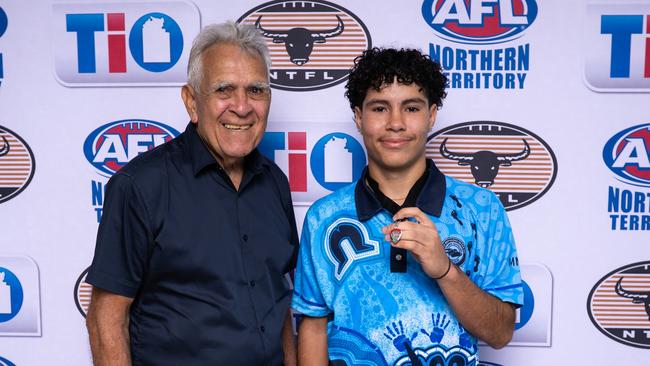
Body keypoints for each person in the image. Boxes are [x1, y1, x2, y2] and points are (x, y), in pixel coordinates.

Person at [292, 47, 523, 365]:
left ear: (431, 115)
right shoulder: (324, 216)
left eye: (411, 108)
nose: (396, 123)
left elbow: (501, 333)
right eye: (379, 108)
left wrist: (445, 270)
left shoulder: (481, 209)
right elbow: (314, 326)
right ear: (358, 117)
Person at [85, 21, 298, 366]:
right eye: (224, 90)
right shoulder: (141, 186)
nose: (242, 107)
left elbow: (280, 301)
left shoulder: (275, 183)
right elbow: (106, 316)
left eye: (256, 91)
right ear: (192, 101)